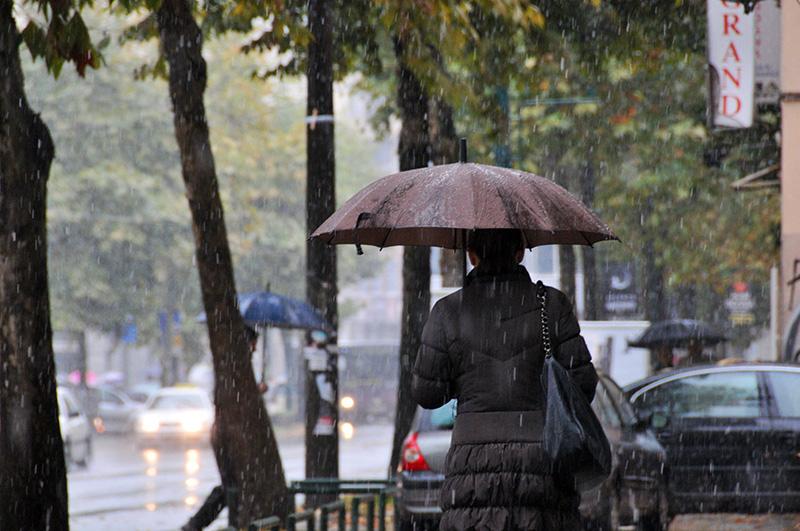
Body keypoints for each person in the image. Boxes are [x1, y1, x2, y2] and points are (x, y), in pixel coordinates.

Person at [412, 229, 598, 530]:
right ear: (520, 251)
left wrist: (462, 378)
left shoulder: (447, 312)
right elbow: (583, 383)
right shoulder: (551, 305)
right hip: (543, 459)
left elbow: (426, 392)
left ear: (471, 255)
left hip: (472, 465)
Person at [182, 324, 265, 531]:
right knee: (232, 485)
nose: (255, 349)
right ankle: (201, 525)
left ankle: (220, 523)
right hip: (228, 435)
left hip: (229, 433)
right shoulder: (234, 366)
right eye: (253, 344)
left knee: (235, 484)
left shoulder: (237, 365)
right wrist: (256, 392)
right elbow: (233, 399)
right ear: (247, 343)